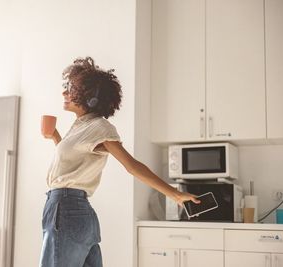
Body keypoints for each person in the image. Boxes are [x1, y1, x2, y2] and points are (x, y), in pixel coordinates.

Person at [40, 57, 199, 267]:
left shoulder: (99, 127)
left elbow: (131, 166)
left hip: (67, 207)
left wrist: (174, 194)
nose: (64, 93)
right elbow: (71, 166)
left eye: (70, 89)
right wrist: (55, 137)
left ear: (89, 98)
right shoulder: (81, 126)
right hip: (73, 209)